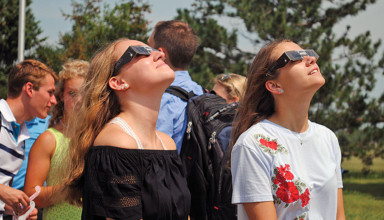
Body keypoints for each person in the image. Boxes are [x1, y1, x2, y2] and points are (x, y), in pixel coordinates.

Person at [60, 39, 190, 219]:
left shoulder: (166, 143)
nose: (159, 54)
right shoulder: (117, 143)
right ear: (118, 82)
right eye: (140, 52)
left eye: (152, 49)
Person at [230, 39, 345, 220]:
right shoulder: (253, 144)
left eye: (309, 52)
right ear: (274, 85)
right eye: (294, 57)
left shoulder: (327, 137)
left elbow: (338, 215)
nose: (310, 59)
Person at [24, 60, 89, 220]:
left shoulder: (100, 136)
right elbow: (30, 194)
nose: (79, 100)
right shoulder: (49, 139)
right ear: (61, 95)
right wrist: (71, 188)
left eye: (85, 92)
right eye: (72, 93)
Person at [0, 59, 58, 220]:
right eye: (50, 92)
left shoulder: (20, 133)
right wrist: (3, 191)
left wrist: (11, 209)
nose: (54, 101)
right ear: (30, 89)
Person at [148, 20, 204, 153]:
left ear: (161, 54)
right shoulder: (202, 92)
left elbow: (154, 154)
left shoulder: (163, 99)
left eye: (149, 48)